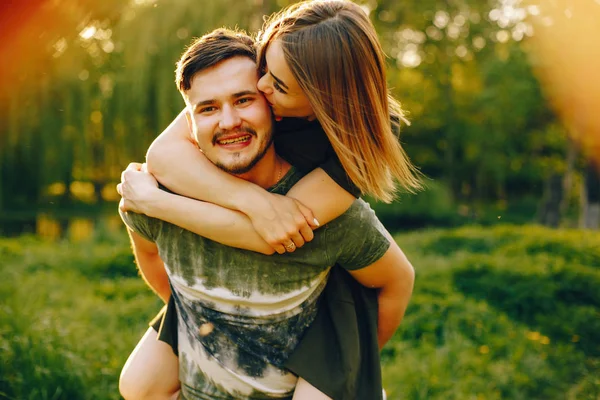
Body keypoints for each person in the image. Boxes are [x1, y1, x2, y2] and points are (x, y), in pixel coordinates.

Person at [119, 1, 421, 398]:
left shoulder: (354, 148)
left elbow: (272, 236)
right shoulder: (253, 79)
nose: (261, 86)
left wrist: (349, 366)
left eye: (275, 86)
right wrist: (253, 201)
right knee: (136, 386)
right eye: (264, 68)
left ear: (318, 101)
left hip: (318, 299)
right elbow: (163, 154)